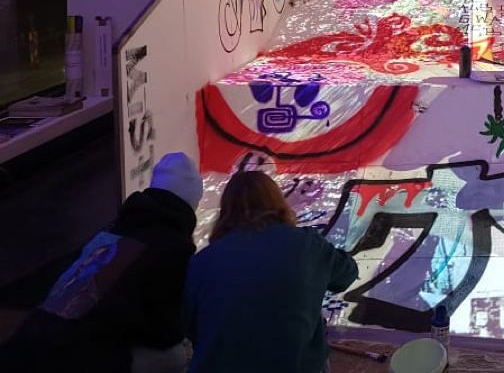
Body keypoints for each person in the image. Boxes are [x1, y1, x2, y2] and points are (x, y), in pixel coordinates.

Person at [0, 153, 203, 373]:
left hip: (26, 347)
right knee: (177, 355)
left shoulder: (112, 232)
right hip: (75, 359)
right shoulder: (173, 248)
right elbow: (163, 334)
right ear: (190, 205)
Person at [184, 171, 358, 373]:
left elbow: (188, 325)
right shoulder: (307, 244)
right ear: (277, 201)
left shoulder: (202, 261)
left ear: (226, 209)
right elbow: (347, 275)